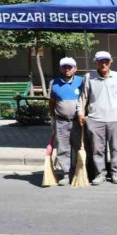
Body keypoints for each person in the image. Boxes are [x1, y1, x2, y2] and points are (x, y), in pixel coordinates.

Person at [80, 51, 117, 185]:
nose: (103, 64)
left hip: (114, 118)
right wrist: (81, 113)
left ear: (111, 62)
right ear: (96, 62)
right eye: (100, 61)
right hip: (95, 119)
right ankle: (100, 174)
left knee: (116, 148)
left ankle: (115, 173)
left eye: (106, 61)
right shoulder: (89, 77)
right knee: (98, 149)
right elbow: (84, 96)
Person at [48, 57, 83, 185]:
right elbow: (52, 102)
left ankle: (80, 171)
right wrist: (52, 118)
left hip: (78, 122)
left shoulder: (82, 81)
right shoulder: (54, 83)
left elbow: (87, 99)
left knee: (79, 147)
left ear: (75, 68)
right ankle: (66, 174)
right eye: (64, 67)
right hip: (61, 121)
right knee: (63, 148)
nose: (67, 69)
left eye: (70, 67)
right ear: (60, 68)